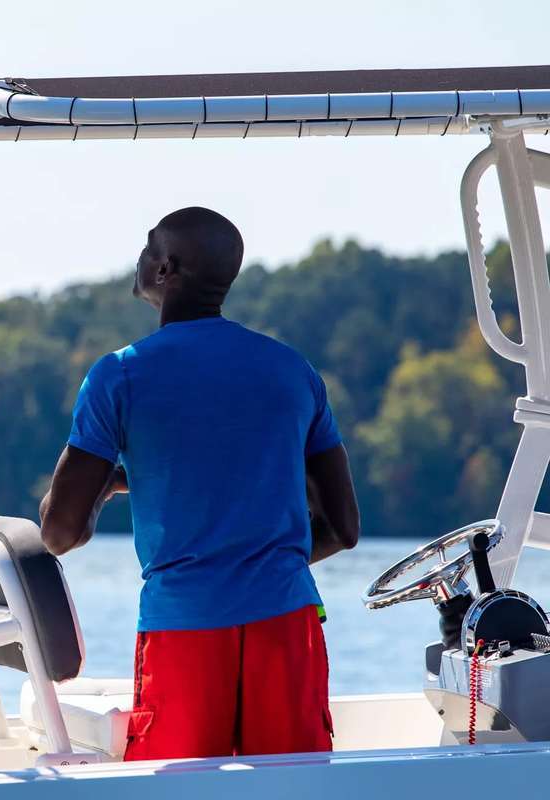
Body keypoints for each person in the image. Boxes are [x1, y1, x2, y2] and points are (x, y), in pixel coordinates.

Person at [38, 207, 360, 760]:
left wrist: (102, 492)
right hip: (288, 623)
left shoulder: (119, 375)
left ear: (166, 270)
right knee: (296, 789)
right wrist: (256, 563)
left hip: (185, 627)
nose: (137, 259)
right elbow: (344, 528)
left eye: (146, 249)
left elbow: (60, 531)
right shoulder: (292, 370)